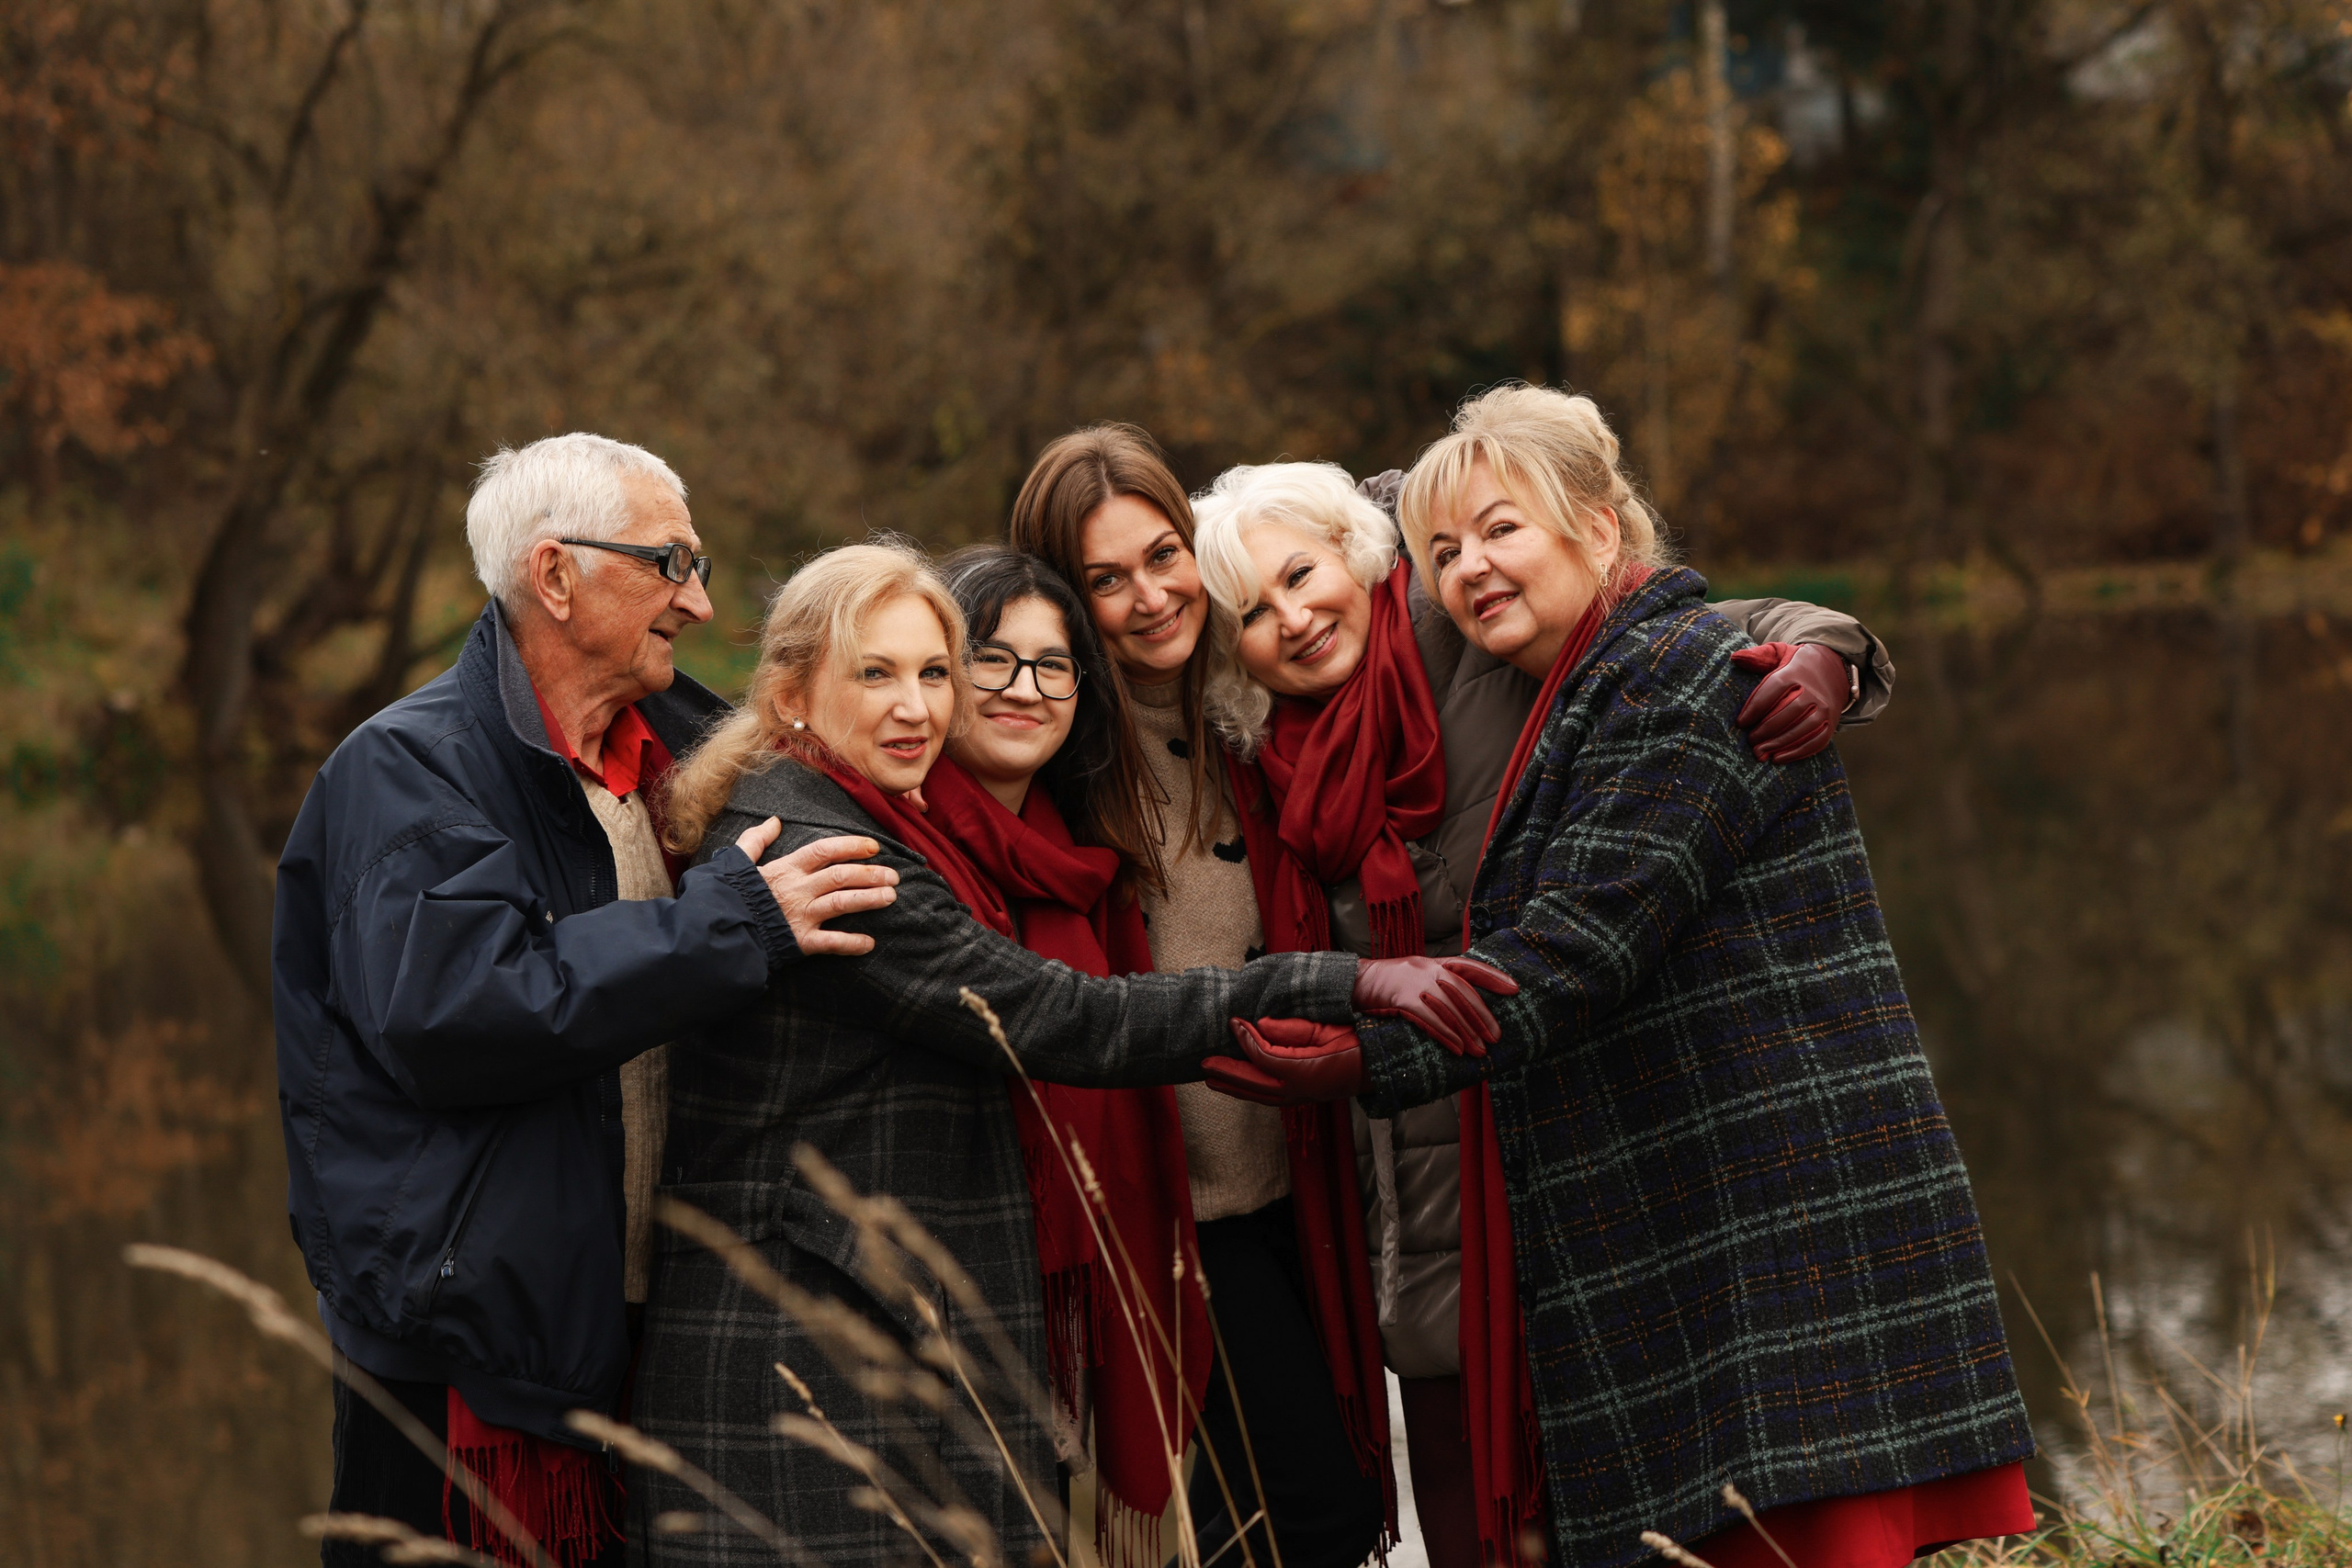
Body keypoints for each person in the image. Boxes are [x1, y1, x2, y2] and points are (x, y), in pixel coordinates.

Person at [1007, 424, 1894, 1568]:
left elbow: (1650, 625)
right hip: (1337, 1179)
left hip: (1539, 1138)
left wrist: (1828, 647)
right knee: (1357, 1507)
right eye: (1107, 579)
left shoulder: (1448, 631)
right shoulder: (1218, 735)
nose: (1286, 617)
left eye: (1163, 556)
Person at [1212, 385, 2035, 1568]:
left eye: (1502, 531)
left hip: (1766, 1186)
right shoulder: (1562, 682)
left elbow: (1576, 948)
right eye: (1446, 552)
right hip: (1652, 1181)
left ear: (1598, 529)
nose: (1471, 566)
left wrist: (1359, 1055)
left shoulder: (1675, 676)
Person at [628, 539, 1510, 1568]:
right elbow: (1064, 1016)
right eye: (876, 673)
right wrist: (1339, 980)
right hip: (805, 1348)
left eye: (932, 673)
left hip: (850, 1327)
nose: (915, 707)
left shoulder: (865, 811)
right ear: (791, 693)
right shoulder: (831, 852)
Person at [272, 434, 901, 1568]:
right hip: (465, 1355)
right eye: (670, 563)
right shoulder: (408, 770)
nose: (699, 603)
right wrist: (732, 924)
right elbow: (459, 1013)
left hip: (664, 1326)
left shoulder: (697, 759)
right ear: (555, 575)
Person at [933, 543, 1210, 1567]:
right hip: (958, 1298)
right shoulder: (907, 846)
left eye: (1053, 665)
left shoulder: (1085, 856)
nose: (1025, 688)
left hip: (1083, 1300)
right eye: (992, 659)